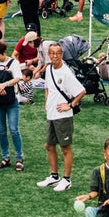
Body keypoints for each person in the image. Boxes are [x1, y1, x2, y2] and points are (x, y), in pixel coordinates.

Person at [37, 40, 86, 192]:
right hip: (51, 114)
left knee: (65, 147)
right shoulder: (49, 69)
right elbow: (47, 88)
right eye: (52, 53)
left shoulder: (66, 73)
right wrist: (47, 103)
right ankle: (54, 176)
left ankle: (66, 179)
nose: (55, 56)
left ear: (62, 54)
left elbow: (81, 91)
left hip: (63, 116)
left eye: (58, 53)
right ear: (49, 55)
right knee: (49, 145)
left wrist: (70, 105)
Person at [0, 40, 26, 171]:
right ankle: (5, 157)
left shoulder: (14, 62)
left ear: (5, 53)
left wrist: (4, 85)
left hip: (11, 101)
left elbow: (17, 78)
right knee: (2, 131)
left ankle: (19, 158)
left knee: (14, 130)